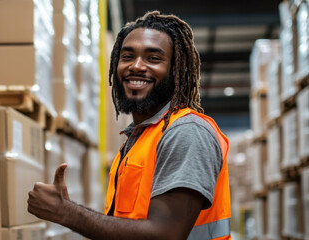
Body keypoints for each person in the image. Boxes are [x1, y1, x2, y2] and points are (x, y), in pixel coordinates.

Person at [28, 10, 231, 240]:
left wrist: (66, 212)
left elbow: (166, 234)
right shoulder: (138, 140)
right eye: (127, 57)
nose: (136, 66)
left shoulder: (186, 132)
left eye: (153, 58)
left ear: (176, 71)